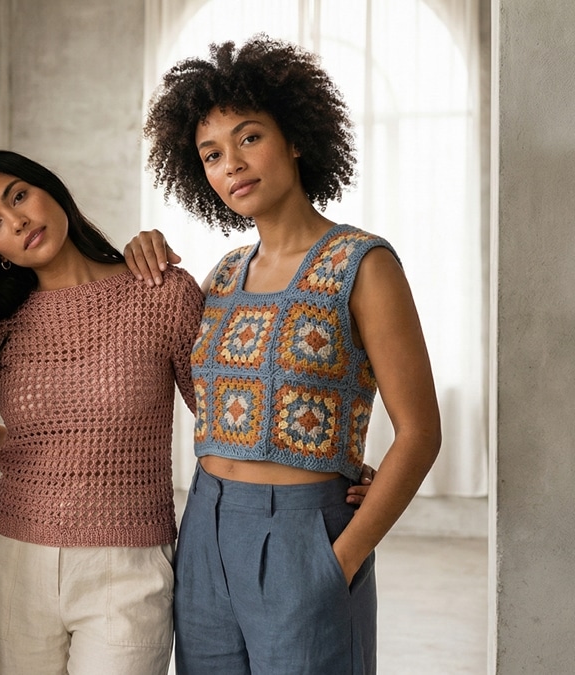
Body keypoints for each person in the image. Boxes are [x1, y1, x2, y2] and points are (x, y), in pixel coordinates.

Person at [129, 35, 442, 673]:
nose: (232, 165)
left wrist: (343, 559)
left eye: (249, 138)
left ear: (295, 138)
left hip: (308, 536)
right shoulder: (219, 276)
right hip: (206, 528)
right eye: (211, 154)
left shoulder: (363, 263)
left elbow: (420, 431)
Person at [0, 149, 203, 675]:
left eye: (18, 196)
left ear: (52, 189)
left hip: (128, 564)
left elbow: (227, 419)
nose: (16, 221)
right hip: (16, 559)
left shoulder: (160, 291)